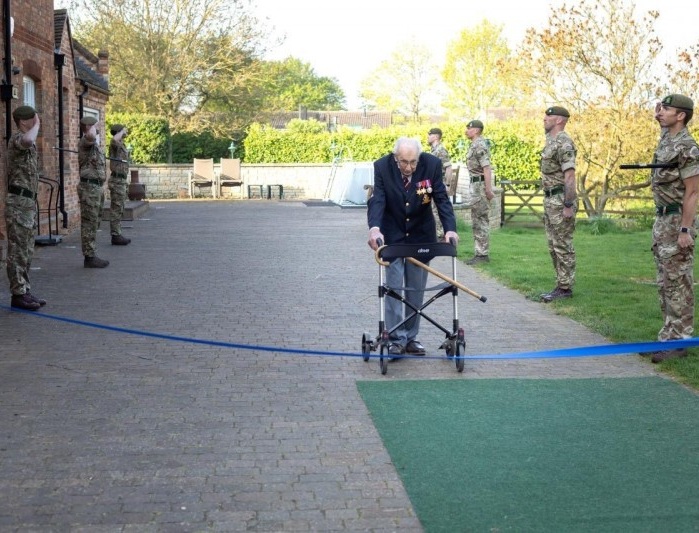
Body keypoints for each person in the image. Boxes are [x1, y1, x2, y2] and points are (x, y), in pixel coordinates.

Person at [367, 137, 459, 357]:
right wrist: (374, 228)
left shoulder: (432, 165)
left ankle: (411, 337)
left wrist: (450, 229)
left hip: (420, 235)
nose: (409, 167)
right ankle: (396, 339)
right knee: (394, 289)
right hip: (392, 235)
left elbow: (441, 199)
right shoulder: (382, 166)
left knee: (416, 290)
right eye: (403, 162)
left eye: (413, 162)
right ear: (395, 157)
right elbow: (378, 199)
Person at [648, 94, 699, 363]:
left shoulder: (688, 147)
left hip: (677, 221)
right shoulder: (668, 140)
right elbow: (662, 127)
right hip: (662, 221)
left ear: (680, 115)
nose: (660, 112)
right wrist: (659, 118)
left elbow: (693, 192)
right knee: (665, 281)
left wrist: (685, 230)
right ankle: (667, 335)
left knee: (679, 282)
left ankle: (681, 341)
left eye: (666, 109)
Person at [4, 105, 46, 311]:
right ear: (23, 121)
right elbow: (29, 140)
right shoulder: (17, 139)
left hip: (28, 203)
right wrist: (37, 125)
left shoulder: (27, 143)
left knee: (27, 250)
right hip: (18, 204)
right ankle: (18, 294)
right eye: (33, 118)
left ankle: (25, 289)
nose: (37, 120)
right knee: (18, 250)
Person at [539, 106, 577, 303]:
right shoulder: (550, 142)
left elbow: (569, 176)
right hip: (550, 199)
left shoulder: (564, 142)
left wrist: (568, 204)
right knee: (553, 245)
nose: (544, 118)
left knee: (562, 244)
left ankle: (565, 287)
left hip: (561, 199)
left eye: (549, 116)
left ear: (560, 120)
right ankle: (561, 283)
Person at [78, 116, 109, 268]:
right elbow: (90, 135)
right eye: (95, 126)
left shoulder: (94, 146)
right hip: (89, 188)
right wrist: (91, 126)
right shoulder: (85, 142)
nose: (97, 129)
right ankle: (89, 257)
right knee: (89, 223)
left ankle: (91, 253)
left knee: (95, 222)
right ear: (88, 127)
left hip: (96, 188)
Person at [464, 120, 495, 265]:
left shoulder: (480, 145)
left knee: (481, 220)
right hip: (475, 185)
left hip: (480, 186)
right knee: (477, 219)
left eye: (469, 129)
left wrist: (488, 189)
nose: (466, 131)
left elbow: (486, 168)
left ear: (476, 130)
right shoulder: (474, 144)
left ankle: (482, 255)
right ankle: (479, 252)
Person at [427, 127, 453, 239]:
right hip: (429, 184)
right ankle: (436, 233)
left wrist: (447, 185)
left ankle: (441, 234)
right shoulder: (433, 150)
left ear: (436, 136)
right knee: (431, 208)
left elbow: (448, 168)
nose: (428, 137)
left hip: (438, 184)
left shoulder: (441, 150)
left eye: (430, 135)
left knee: (438, 209)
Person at [108, 124, 131, 245]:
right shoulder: (115, 144)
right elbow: (113, 140)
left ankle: (118, 233)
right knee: (116, 209)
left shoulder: (122, 144)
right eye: (124, 129)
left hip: (121, 180)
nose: (126, 131)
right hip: (117, 180)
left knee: (120, 208)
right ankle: (115, 235)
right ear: (119, 131)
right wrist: (120, 132)